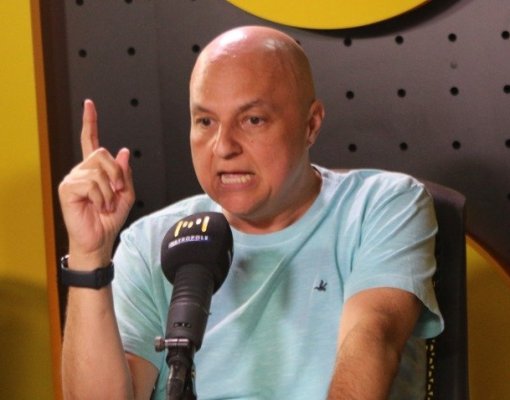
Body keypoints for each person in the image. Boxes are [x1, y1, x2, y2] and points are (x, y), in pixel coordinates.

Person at [59, 25, 443, 399]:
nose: (223, 146)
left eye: (253, 120)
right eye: (205, 121)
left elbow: (374, 340)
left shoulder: (381, 206)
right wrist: (89, 255)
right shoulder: (150, 242)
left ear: (311, 124)